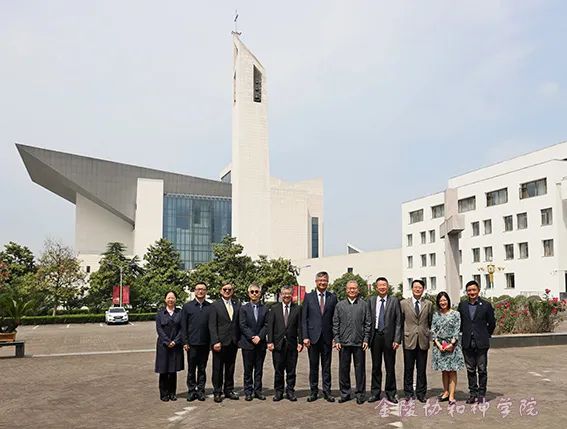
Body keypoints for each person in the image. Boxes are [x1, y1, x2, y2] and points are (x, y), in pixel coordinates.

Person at [332, 280, 372, 404]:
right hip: (343, 343)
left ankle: (360, 394)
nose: (352, 290)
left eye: (354, 288)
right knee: (343, 369)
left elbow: (368, 323)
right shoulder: (340, 305)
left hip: (359, 343)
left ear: (358, 290)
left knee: (360, 369)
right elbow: (335, 323)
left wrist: (366, 339)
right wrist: (337, 339)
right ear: (346, 290)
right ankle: (345, 393)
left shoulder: (364, 305)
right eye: (349, 288)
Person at [302, 271, 338, 402]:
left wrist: (335, 337)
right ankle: (313, 391)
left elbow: (335, 319)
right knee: (313, 366)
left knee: (326, 366)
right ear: (316, 282)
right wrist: (305, 336)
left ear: (328, 282)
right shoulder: (308, 297)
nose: (322, 282)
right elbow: (304, 319)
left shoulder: (332, 297)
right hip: (312, 338)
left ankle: (327, 392)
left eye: (325, 280)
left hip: (327, 338)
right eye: (320, 280)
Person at [457, 280, 496, 404]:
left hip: (481, 342)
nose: (471, 292)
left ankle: (481, 394)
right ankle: (472, 393)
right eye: (469, 290)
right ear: (466, 292)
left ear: (478, 290)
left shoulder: (486, 305)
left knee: (482, 369)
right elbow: (460, 323)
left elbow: (492, 323)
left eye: (474, 290)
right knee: (470, 369)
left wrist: (486, 334)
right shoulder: (462, 305)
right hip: (467, 341)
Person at [367, 277, 402, 404]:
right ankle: (375, 393)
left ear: (388, 287)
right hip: (375, 337)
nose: (382, 287)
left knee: (390, 367)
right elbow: (368, 320)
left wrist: (397, 339)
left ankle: (391, 392)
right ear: (376, 288)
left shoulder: (394, 301)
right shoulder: (371, 300)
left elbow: (398, 321)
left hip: (389, 338)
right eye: (380, 285)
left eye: (384, 285)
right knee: (376, 367)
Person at [267, 285, 303, 402]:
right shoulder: (274, 308)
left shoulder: (297, 308)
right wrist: (270, 342)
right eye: (284, 294)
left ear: (292, 295)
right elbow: (270, 327)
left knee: (291, 370)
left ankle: (290, 391)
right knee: (278, 370)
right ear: (281, 295)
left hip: (292, 344)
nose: (286, 296)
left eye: (289, 293)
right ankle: (278, 391)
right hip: (278, 344)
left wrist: (300, 341)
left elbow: (300, 327)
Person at [400, 279, 434, 403]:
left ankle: (421, 393)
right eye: (415, 287)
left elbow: (430, 321)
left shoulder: (428, 304)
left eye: (420, 287)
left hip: (423, 340)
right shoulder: (404, 303)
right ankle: (408, 392)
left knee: (421, 369)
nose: (417, 289)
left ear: (423, 289)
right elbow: (401, 321)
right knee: (408, 368)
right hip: (408, 339)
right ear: (412, 289)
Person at [209, 282, 241, 403]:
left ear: (232, 291)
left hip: (232, 342)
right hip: (219, 343)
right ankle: (217, 391)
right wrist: (215, 341)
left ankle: (229, 390)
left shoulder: (237, 304)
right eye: (225, 289)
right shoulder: (215, 305)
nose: (227, 291)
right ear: (220, 290)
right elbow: (212, 325)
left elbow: (238, 323)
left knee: (230, 367)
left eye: (229, 289)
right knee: (217, 368)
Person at [431, 291, 464, 406]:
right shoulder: (436, 314)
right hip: (440, 346)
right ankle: (445, 392)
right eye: (440, 301)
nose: (443, 302)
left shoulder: (455, 314)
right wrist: (439, 345)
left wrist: (452, 344)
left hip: (452, 346)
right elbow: (433, 330)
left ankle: (451, 395)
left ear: (448, 301)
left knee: (452, 370)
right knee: (444, 370)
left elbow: (457, 330)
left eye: (444, 300)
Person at [181, 282, 212, 402]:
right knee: (191, 369)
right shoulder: (187, 307)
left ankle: (201, 391)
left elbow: (212, 326)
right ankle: (191, 390)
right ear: (194, 291)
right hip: (191, 344)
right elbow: (183, 326)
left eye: (203, 289)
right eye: (198, 289)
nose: (200, 291)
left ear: (206, 291)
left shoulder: (210, 307)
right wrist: (185, 342)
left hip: (205, 344)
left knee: (202, 369)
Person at [239, 284, 268, 401]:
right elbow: (242, 325)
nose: (254, 294)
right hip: (247, 344)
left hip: (260, 344)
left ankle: (258, 391)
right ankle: (248, 391)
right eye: (252, 292)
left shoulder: (265, 308)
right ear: (249, 293)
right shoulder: (243, 308)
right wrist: (252, 337)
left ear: (260, 293)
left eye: (257, 292)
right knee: (248, 369)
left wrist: (259, 337)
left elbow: (267, 325)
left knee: (259, 369)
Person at [155, 290, 184, 402]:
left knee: (173, 370)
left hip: (176, 346)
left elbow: (182, 329)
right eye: (168, 298)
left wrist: (176, 341)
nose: (170, 300)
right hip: (163, 345)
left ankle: (172, 393)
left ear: (175, 300)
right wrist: (167, 341)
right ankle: (164, 393)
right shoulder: (160, 313)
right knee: (163, 370)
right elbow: (159, 329)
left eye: (172, 298)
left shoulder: (179, 313)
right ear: (165, 300)